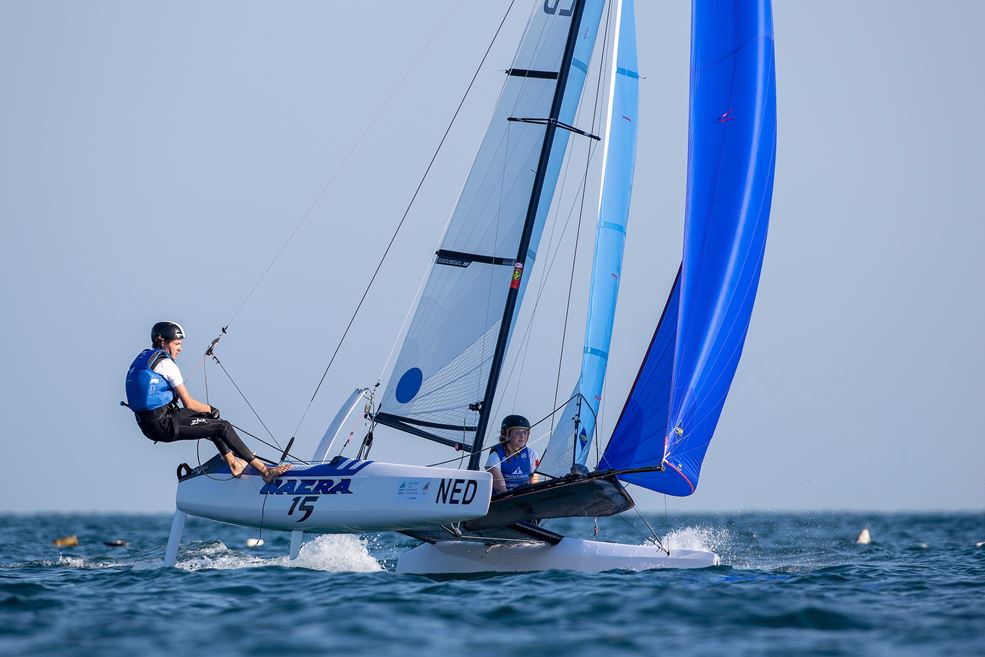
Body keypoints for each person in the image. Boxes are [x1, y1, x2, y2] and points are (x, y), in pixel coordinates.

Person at [125, 321, 291, 483]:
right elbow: (189, 404)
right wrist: (212, 409)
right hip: (164, 424)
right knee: (222, 426)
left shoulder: (146, 358)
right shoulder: (167, 364)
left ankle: (234, 464)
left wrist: (207, 413)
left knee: (209, 420)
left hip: (151, 422)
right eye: (177, 344)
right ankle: (265, 471)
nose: (180, 348)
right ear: (163, 342)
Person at [484, 414, 540, 494]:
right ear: (506, 435)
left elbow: (534, 483)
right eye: (517, 433)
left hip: (525, 499)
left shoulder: (531, 454)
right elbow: (500, 489)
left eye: (525, 433)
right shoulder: (495, 455)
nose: (522, 436)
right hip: (502, 501)